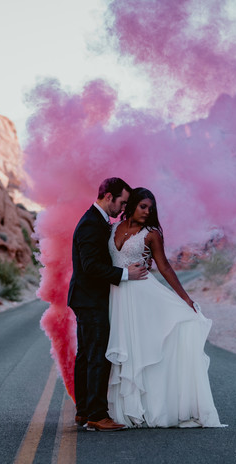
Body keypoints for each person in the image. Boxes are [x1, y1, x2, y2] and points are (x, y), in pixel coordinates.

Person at [106, 187, 222, 428]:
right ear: (132, 205)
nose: (148, 212)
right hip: (117, 294)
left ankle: (148, 408)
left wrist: (186, 300)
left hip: (142, 294)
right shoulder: (113, 227)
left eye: (151, 208)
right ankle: (124, 409)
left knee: (142, 348)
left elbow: (165, 267)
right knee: (125, 347)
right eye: (143, 206)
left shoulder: (152, 234)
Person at [68, 177, 150, 432]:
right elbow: (90, 267)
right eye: (122, 202)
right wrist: (126, 274)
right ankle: (96, 415)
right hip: (91, 299)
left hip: (87, 298)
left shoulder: (98, 221)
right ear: (108, 197)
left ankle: (83, 411)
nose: (123, 208)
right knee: (96, 357)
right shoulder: (91, 224)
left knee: (85, 356)